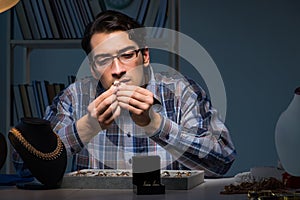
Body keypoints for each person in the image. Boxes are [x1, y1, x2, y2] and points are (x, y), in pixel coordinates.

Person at [13, 10, 236, 177]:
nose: (118, 70)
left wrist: (157, 124)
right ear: (92, 68)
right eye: (103, 60)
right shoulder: (74, 97)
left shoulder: (181, 92)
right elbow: (23, 167)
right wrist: (85, 128)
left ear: (145, 57)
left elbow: (222, 161)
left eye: (127, 55)